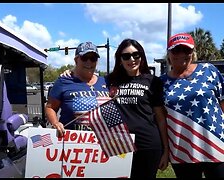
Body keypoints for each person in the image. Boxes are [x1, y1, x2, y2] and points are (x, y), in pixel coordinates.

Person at [60, 39, 169, 178]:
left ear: (141, 57)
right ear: (120, 59)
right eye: (126, 56)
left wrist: (165, 150)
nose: (132, 59)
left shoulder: (153, 81)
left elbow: (160, 118)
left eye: (136, 55)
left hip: (148, 145)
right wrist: (71, 71)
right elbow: (87, 76)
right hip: (117, 144)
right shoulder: (108, 80)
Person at [160, 32, 224, 178]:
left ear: (193, 52)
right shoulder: (160, 82)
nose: (181, 54)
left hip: (216, 145)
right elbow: (161, 119)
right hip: (181, 150)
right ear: (168, 53)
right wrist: (165, 150)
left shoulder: (209, 70)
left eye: (187, 50)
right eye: (176, 50)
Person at [45, 41, 111, 137]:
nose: (89, 62)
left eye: (93, 58)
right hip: (73, 143)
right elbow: (50, 107)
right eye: (84, 58)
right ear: (76, 60)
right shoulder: (63, 82)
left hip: (102, 143)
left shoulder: (106, 81)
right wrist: (55, 123)